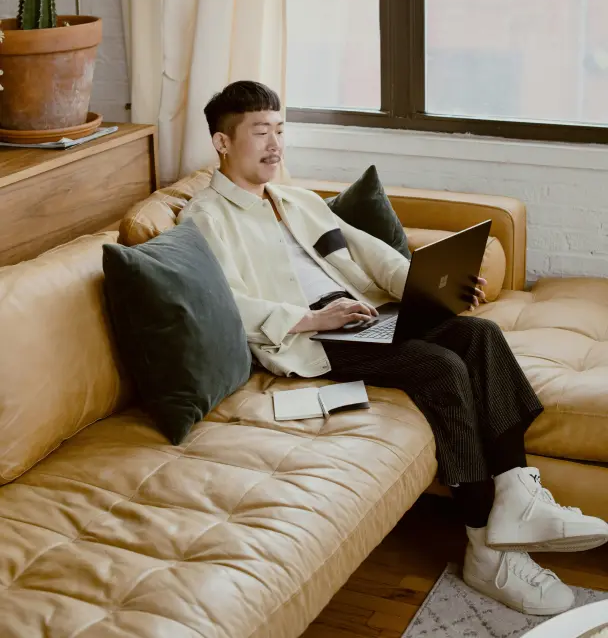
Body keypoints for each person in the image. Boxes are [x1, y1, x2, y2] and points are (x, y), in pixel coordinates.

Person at [179, 80, 608, 617]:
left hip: (365, 316)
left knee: (482, 335)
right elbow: (220, 300)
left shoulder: (294, 199)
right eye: (260, 132)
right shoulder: (206, 218)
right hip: (315, 340)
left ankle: (518, 497)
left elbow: (373, 254)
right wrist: (312, 317)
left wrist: (426, 288)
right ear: (222, 143)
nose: (275, 144)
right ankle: (487, 552)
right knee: (440, 368)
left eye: (281, 130)